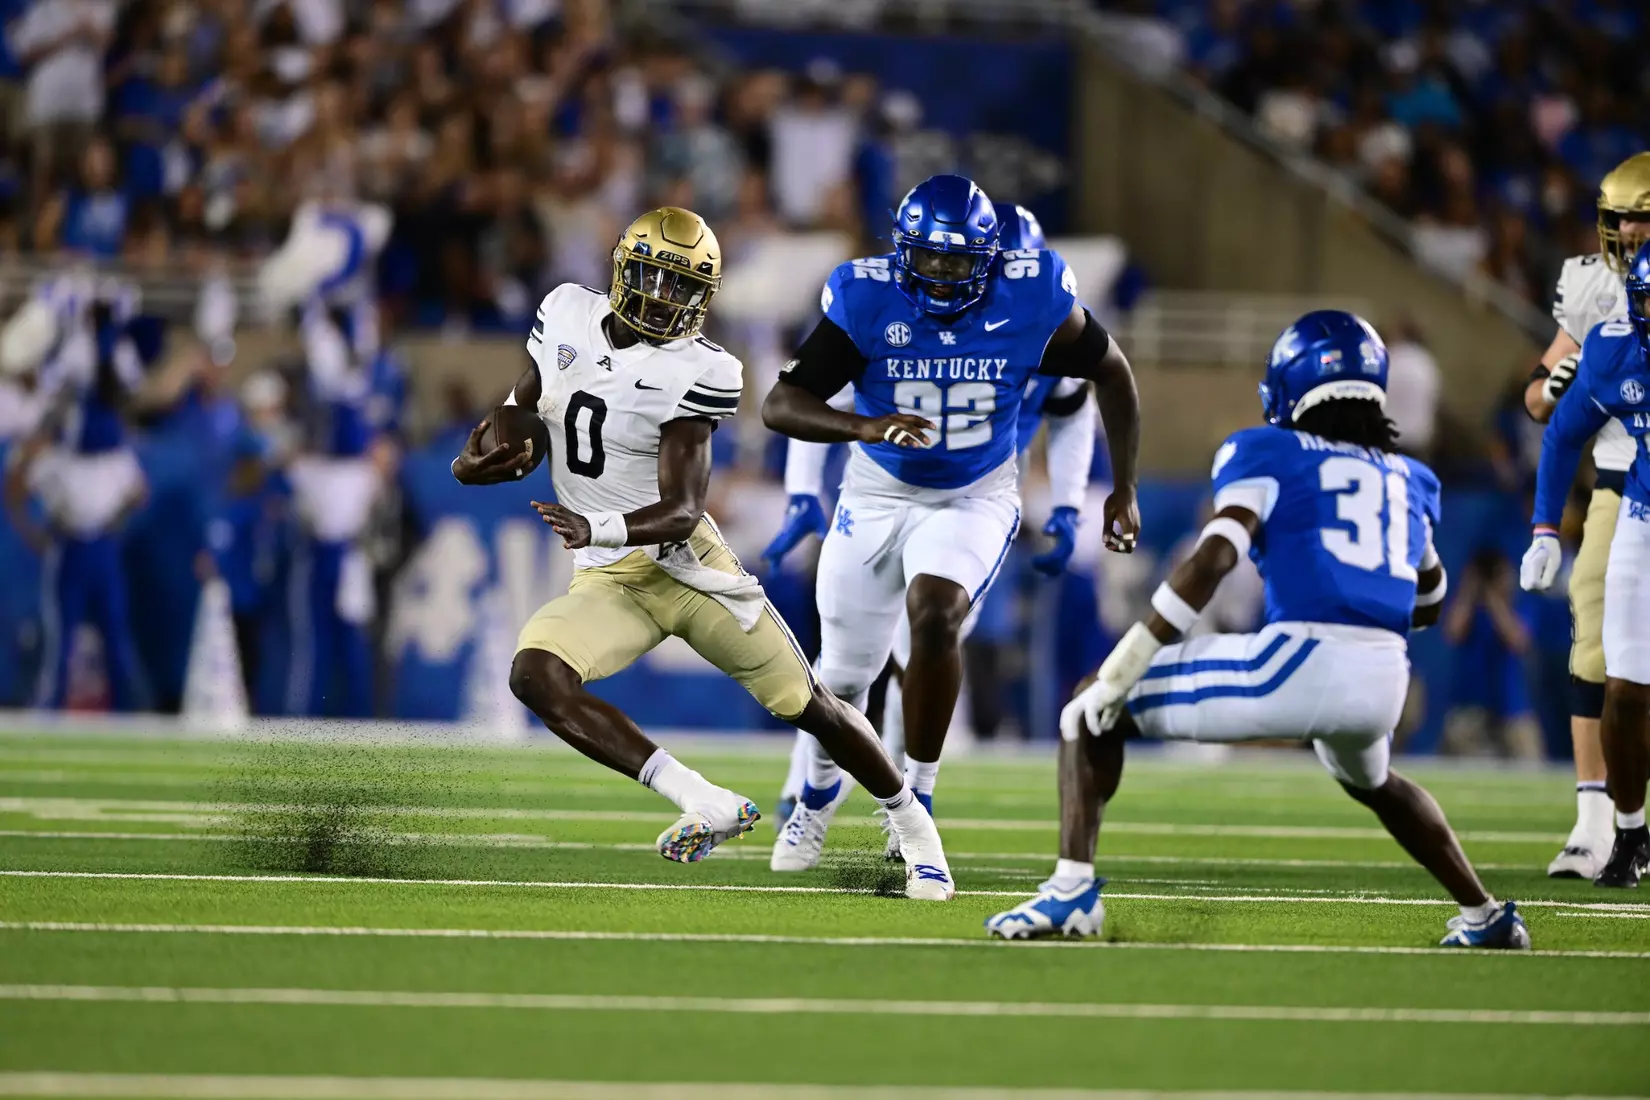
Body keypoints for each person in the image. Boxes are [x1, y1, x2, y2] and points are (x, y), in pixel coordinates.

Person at [451, 206, 954, 898]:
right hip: (610, 581)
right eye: (654, 280)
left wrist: (595, 528)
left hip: (689, 569)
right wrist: (480, 454)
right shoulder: (564, 311)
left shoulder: (702, 368)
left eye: (681, 288)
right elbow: (524, 403)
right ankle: (702, 798)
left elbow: (684, 508)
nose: (664, 300)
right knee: (536, 675)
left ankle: (915, 829)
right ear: (623, 270)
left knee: (810, 704)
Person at [986, 310, 1531, 950]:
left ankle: (1072, 892)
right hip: (1384, 674)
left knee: (1087, 709)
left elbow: (1214, 559)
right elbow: (1431, 598)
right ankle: (1485, 915)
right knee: (1376, 782)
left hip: (1301, 659)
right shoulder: (1409, 477)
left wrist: (1125, 663)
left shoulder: (1267, 451)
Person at [760, 177, 1141, 872]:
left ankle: (919, 805)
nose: (938, 275)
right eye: (927, 259)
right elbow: (783, 404)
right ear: (902, 250)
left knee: (934, 617)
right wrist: (862, 428)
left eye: (956, 261)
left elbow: (1111, 375)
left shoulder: (1032, 298)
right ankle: (815, 797)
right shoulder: (865, 296)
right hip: (875, 493)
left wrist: (1120, 489)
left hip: (975, 493)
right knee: (844, 678)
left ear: (992, 260)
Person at [1522, 151, 1650, 879]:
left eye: (1642, 215)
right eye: (1621, 216)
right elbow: (1541, 401)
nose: (1628, 230)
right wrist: (1554, 388)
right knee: (1596, 625)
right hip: (1623, 472)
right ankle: (1598, 819)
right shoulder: (1594, 285)